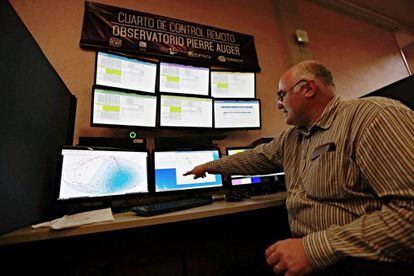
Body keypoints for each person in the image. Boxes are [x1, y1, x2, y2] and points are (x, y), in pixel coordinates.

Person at [184, 60, 414, 275]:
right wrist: (209, 166)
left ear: (308, 89)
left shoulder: (374, 117)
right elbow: (255, 157)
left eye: (281, 95)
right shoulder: (292, 138)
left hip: (357, 259)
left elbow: (409, 215)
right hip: (304, 250)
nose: (277, 104)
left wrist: (313, 250)